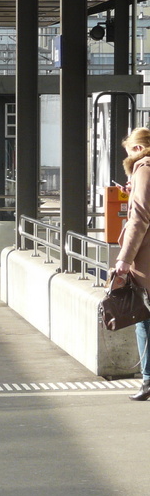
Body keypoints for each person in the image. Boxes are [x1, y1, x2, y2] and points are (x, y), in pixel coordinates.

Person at [113, 127, 150, 401]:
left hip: (147, 260)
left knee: (143, 318)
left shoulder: (144, 169)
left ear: (138, 149)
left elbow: (138, 218)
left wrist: (124, 260)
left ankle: (148, 381)